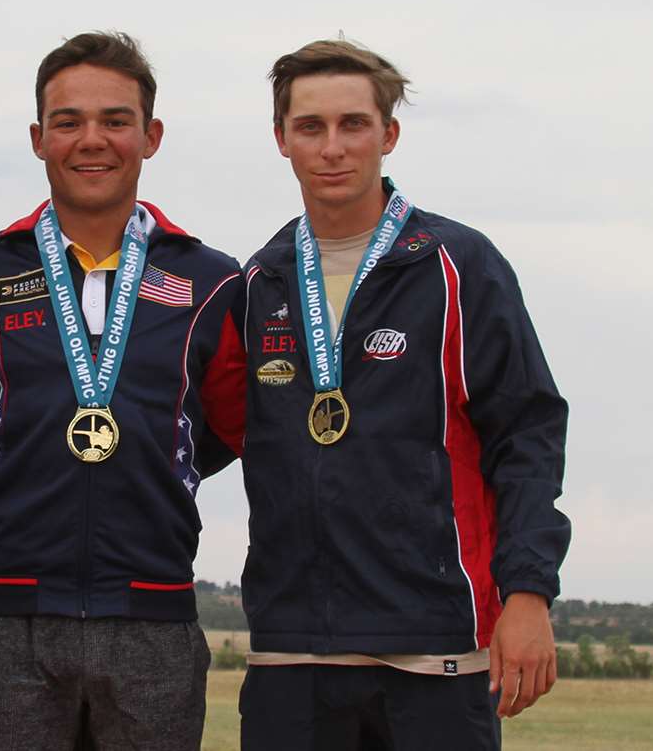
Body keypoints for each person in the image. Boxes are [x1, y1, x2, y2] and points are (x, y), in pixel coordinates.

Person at [237, 39, 570, 749]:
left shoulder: (459, 266)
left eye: (353, 124)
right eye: (311, 127)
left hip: (433, 643)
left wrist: (529, 592)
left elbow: (528, 435)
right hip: (291, 649)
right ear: (281, 140)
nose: (333, 147)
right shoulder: (258, 282)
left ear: (388, 134)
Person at [0, 32, 246, 750]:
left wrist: (150, 461)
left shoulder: (213, 281)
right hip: (5, 619)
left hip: (152, 615)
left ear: (151, 136)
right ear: (37, 137)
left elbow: (230, 426)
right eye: (68, 121)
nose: (93, 140)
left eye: (116, 120)